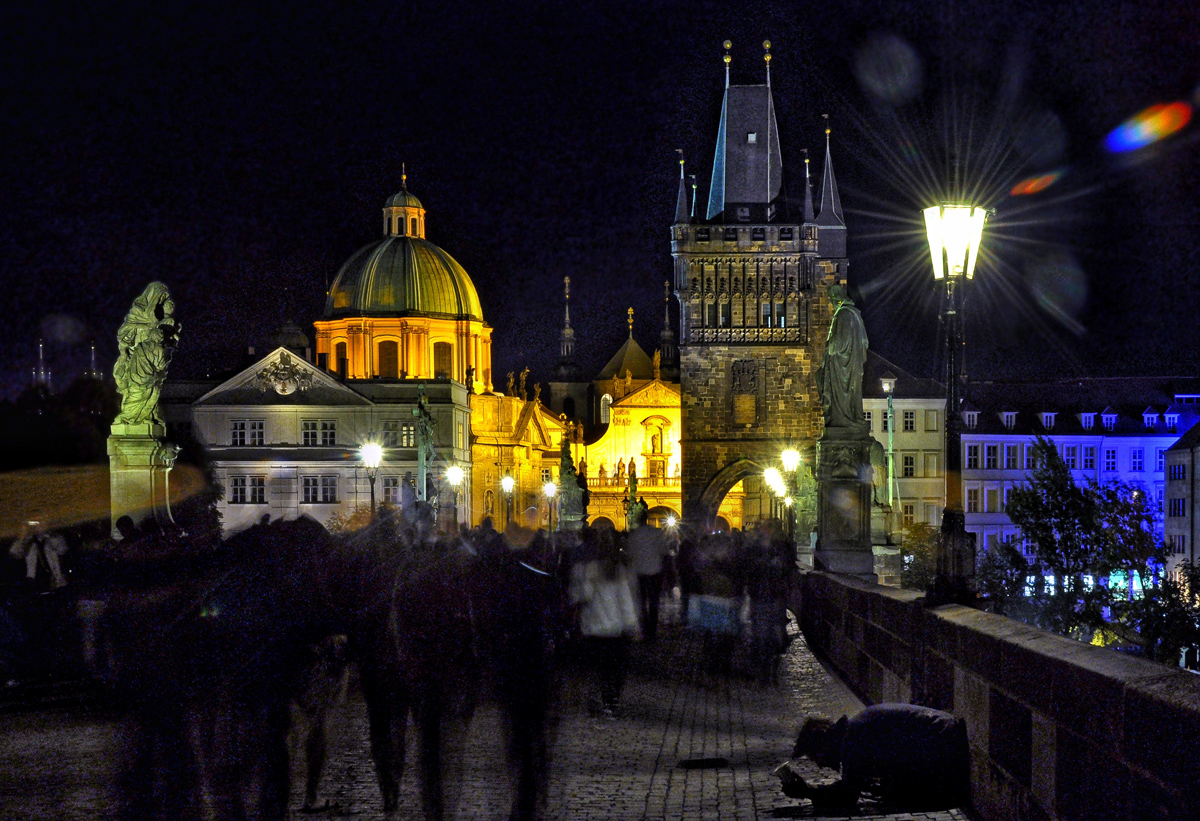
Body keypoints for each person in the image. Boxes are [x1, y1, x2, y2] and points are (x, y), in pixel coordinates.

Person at [776, 703, 970, 809]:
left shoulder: (852, 740)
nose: (819, 766)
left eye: (815, 757)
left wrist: (809, 791)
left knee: (896, 798)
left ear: (823, 744)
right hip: (942, 734)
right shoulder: (853, 729)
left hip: (941, 741)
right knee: (891, 792)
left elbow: (849, 794)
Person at [568, 528, 639, 717]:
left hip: (595, 626)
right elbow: (625, 600)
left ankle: (595, 698)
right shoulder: (618, 570)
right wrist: (631, 624)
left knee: (596, 665)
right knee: (614, 667)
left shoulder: (591, 568)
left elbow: (585, 595)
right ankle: (611, 701)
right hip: (616, 627)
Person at [113, 281, 180, 426]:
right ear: (153, 296)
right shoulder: (138, 312)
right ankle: (130, 417)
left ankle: (149, 416)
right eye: (160, 298)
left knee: (153, 385)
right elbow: (124, 334)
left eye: (163, 299)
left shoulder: (163, 319)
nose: (161, 302)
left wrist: (166, 328)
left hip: (154, 354)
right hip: (138, 352)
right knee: (136, 387)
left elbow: (169, 337)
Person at [815, 284, 868, 430]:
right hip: (848, 364)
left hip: (842, 367)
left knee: (836, 393)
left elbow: (840, 343)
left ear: (837, 300)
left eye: (831, 300)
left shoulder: (844, 314)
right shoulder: (853, 314)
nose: (831, 304)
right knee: (819, 377)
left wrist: (830, 346)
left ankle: (841, 419)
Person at [625, 511, 666, 642]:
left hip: (639, 571)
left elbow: (629, 553)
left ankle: (644, 627)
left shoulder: (633, 535)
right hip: (655, 571)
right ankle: (652, 629)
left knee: (641, 601)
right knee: (654, 601)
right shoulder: (656, 533)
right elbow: (663, 550)